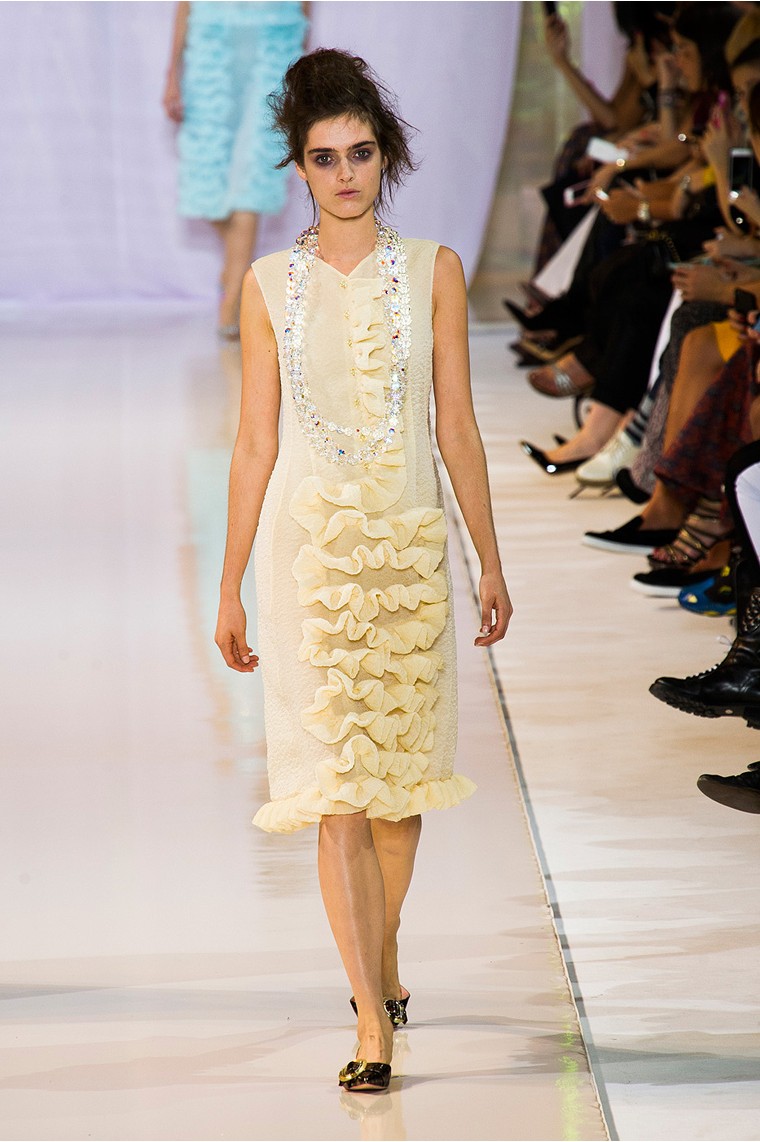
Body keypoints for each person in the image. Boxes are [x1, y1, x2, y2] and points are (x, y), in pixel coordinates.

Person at [213, 48, 512, 1092]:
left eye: (361, 153)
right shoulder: (267, 284)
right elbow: (254, 441)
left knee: (395, 796)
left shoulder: (434, 269)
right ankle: (370, 1019)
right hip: (307, 562)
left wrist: (488, 558)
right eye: (324, 157)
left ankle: (380, 960)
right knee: (336, 793)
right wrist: (228, 582)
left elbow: (456, 426)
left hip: (409, 555)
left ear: (387, 156)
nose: (345, 174)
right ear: (298, 167)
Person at [163, 1, 308, 338]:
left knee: (253, 169)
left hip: (274, 34)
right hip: (212, 37)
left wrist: (301, 63)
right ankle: (236, 269)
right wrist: (172, 73)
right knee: (206, 173)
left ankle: (231, 306)